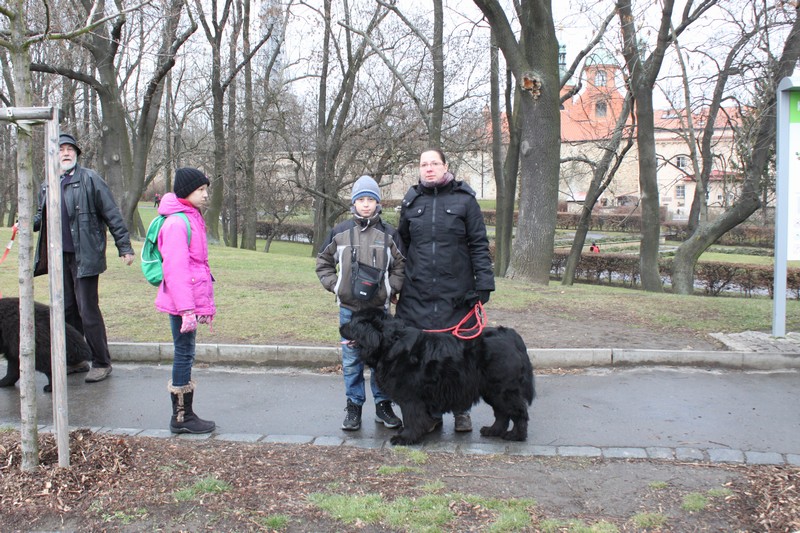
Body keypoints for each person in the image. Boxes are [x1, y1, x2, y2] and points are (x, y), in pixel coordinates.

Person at [395, 149, 495, 433]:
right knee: (424, 357)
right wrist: (395, 283)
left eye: (434, 163)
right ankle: (432, 412)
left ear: (445, 166)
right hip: (417, 293)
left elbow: (479, 243)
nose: (429, 169)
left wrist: (484, 283)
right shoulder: (411, 202)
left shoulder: (465, 201)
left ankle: (461, 411)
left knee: (457, 356)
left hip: (456, 294)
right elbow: (401, 247)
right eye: (424, 164)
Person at [33, 133, 135, 383]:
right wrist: (27, 222)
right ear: (53, 155)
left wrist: (125, 247)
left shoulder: (90, 179)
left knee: (87, 310)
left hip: (85, 256)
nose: (66, 153)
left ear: (77, 154)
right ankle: (77, 360)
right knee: (66, 310)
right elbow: (39, 218)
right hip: (59, 258)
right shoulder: (48, 184)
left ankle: (102, 362)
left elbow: (112, 213)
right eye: (61, 149)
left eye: (70, 149)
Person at [316, 175, 405, 432]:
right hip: (349, 310)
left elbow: (401, 265)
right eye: (361, 199)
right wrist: (336, 285)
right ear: (353, 203)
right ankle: (353, 406)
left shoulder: (389, 234)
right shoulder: (340, 232)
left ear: (378, 203)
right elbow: (323, 262)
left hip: (378, 312)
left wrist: (390, 289)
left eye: (370, 200)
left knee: (382, 360)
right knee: (352, 360)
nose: (365, 204)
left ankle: (383, 405)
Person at [155, 167, 216, 434]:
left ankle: (184, 415)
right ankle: (181, 417)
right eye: (200, 190)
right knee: (183, 354)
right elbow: (176, 270)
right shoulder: (178, 223)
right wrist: (187, 309)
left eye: (206, 190)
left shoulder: (191, 217)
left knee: (186, 353)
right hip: (183, 303)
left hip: (188, 301)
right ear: (186, 192)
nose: (205, 195)